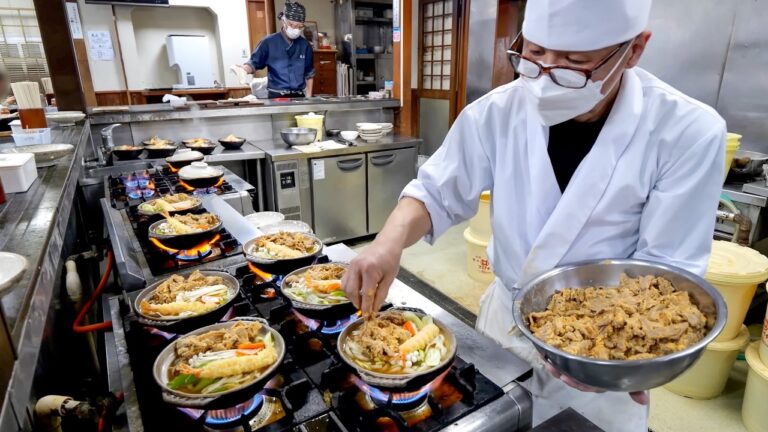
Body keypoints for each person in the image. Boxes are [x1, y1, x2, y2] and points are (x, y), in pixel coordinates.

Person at [341, 0, 726, 430]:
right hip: (504, 328)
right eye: (535, 55)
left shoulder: (687, 131)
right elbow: (435, 190)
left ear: (634, 50)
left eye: (574, 64)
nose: (544, 79)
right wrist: (386, 244)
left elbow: (667, 275)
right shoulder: (499, 110)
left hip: (602, 357)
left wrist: (628, 358)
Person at [237, 1, 314, 99]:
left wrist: (309, 98)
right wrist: (243, 70)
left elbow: (309, 74)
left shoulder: (305, 45)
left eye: (299, 26)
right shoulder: (269, 42)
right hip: (276, 96)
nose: (296, 29)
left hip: (298, 97)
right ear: (283, 21)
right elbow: (254, 63)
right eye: (292, 25)